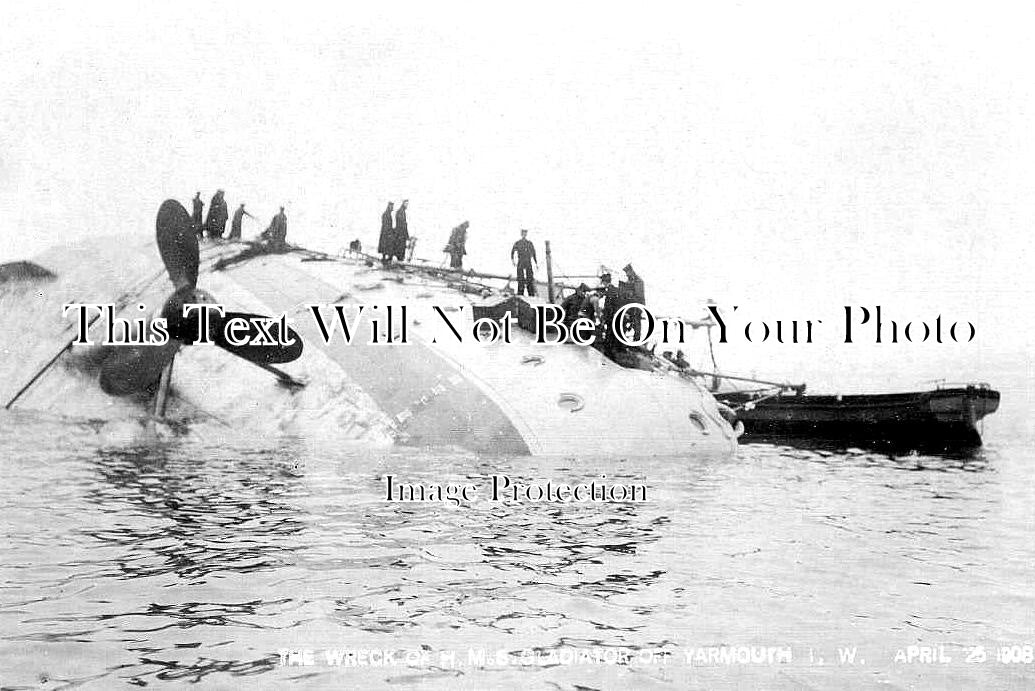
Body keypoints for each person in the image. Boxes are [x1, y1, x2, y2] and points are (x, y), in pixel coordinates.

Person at [618, 263, 646, 342]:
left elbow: (638, 295)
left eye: (627, 272)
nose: (626, 275)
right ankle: (623, 338)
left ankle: (636, 340)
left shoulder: (638, 281)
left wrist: (628, 295)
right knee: (626, 320)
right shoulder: (630, 280)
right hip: (630, 305)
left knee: (636, 322)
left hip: (637, 305)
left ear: (631, 271)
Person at [511, 229, 538, 297]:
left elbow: (534, 253)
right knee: (520, 279)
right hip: (521, 261)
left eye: (525, 233)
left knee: (530, 279)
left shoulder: (529, 243)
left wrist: (536, 263)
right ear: (521, 234)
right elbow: (512, 252)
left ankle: (531, 294)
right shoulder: (518, 243)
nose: (524, 234)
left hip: (528, 261)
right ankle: (520, 293)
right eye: (523, 233)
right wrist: (513, 261)